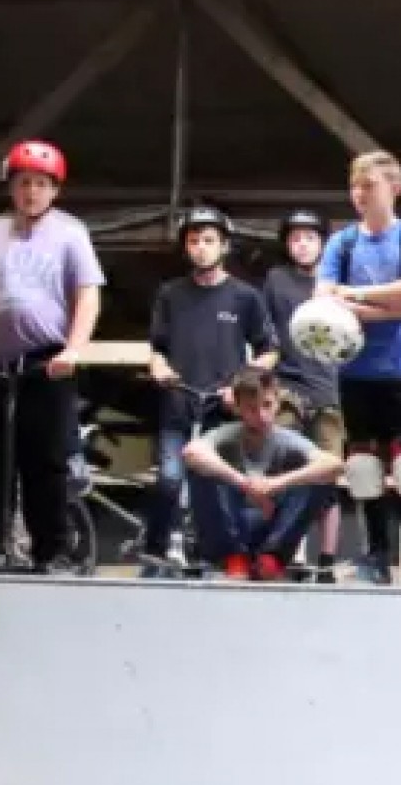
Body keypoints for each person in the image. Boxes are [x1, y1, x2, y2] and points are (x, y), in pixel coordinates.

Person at [0, 140, 104, 574]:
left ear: (55, 190)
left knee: (46, 462)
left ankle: (51, 553)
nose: (32, 192)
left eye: (41, 184)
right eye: (24, 183)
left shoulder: (71, 234)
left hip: (46, 362)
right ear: (11, 187)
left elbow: (87, 296)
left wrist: (74, 349)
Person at [315, 151, 401, 587]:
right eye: (354, 186)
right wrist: (389, 307)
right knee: (363, 468)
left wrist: (354, 296)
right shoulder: (341, 243)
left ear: (394, 188)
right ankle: (375, 556)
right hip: (355, 370)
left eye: (368, 185)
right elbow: (322, 298)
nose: (360, 194)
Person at [143, 204, 277, 577]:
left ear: (224, 246)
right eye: (193, 241)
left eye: (208, 240)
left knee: (216, 486)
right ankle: (155, 552)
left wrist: (242, 385)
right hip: (179, 402)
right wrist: (159, 367)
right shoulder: (171, 294)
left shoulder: (245, 297)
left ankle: (218, 554)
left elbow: (269, 350)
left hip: (222, 407)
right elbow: (157, 347)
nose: (200, 248)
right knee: (170, 479)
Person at [181, 366, 342, 580]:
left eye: (267, 405)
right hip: (230, 527)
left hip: (272, 529)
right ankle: (234, 558)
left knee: (320, 476)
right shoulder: (226, 434)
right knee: (201, 470)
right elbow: (191, 452)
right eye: (251, 408)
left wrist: (275, 484)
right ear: (237, 408)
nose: (261, 415)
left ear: (277, 404)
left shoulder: (287, 439)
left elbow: (334, 465)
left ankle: (271, 559)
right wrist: (245, 484)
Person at [262, 208, 345, 583]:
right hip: (287, 385)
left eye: (310, 238)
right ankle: (290, 552)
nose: (302, 245)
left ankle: (326, 559)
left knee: (328, 474)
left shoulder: (337, 281)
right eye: (295, 238)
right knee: (285, 469)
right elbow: (264, 331)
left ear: (323, 243)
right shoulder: (276, 279)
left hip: (330, 387)